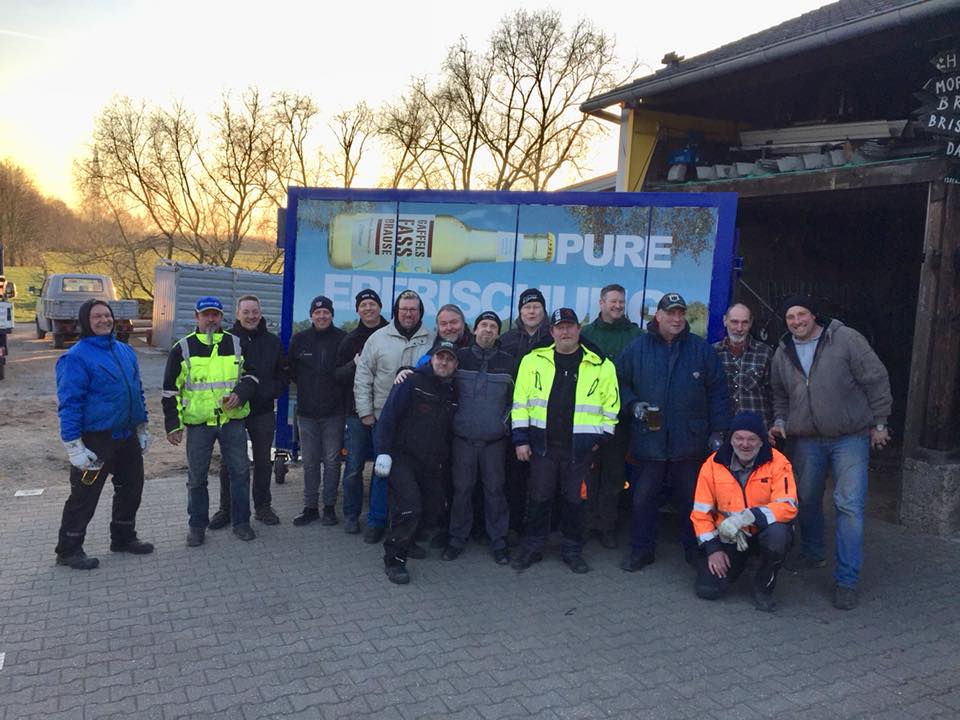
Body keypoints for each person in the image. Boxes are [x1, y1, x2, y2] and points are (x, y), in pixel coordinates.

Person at [769, 295, 892, 610]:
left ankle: (846, 580)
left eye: (802, 314)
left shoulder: (846, 339)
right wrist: (780, 420)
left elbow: (875, 379)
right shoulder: (783, 351)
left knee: (848, 506)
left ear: (814, 315)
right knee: (807, 499)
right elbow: (779, 393)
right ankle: (813, 554)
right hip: (807, 439)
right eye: (790, 317)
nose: (797, 321)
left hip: (849, 437)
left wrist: (880, 422)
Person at [616, 292, 728, 572]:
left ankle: (695, 550)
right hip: (649, 441)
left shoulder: (701, 350)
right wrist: (633, 405)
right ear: (658, 316)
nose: (676, 319)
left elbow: (718, 393)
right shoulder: (637, 349)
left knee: (692, 502)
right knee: (643, 500)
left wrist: (719, 430)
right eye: (670, 313)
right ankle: (642, 551)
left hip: (689, 443)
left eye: (680, 313)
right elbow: (619, 384)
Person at [510, 308, 620, 574]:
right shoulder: (532, 361)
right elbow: (520, 402)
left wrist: (601, 438)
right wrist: (521, 439)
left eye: (570, 326)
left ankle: (572, 550)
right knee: (538, 498)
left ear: (579, 330)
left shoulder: (601, 365)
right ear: (552, 331)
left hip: (579, 450)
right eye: (560, 327)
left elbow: (612, 406)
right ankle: (533, 547)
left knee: (575, 502)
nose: (565, 331)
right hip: (542, 447)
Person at [54, 299, 152, 569]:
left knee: (131, 488)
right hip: (96, 441)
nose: (103, 320)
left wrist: (142, 426)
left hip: (127, 437)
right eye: (96, 316)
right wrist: (73, 445)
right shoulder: (75, 357)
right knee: (84, 496)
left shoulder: (125, 351)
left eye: (107, 315)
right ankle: (68, 550)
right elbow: (70, 404)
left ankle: (123, 537)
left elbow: (137, 391)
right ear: (86, 321)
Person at [163, 296, 259, 546]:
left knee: (240, 473)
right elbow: (170, 390)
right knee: (197, 478)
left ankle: (241, 522)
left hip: (232, 421)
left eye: (215, 315)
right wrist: (173, 424)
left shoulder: (236, 343)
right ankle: (197, 526)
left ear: (221, 317)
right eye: (206, 315)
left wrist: (241, 393)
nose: (211, 319)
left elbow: (252, 375)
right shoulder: (183, 348)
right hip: (199, 425)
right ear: (197, 317)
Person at [691, 411, 798, 611]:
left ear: (761, 441)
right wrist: (713, 549)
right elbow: (700, 512)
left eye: (751, 439)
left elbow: (788, 506)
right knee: (707, 589)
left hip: (764, 533)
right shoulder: (713, 464)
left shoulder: (778, 463)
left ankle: (763, 584)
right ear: (730, 440)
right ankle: (741, 564)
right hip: (730, 536)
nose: (745, 444)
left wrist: (748, 517)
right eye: (739, 438)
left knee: (778, 536)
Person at [375, 341, 460, 584]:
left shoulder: (453, 391)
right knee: (409, 507)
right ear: (431, 359)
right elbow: (389, 416)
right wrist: (383, 451)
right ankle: (394, 560)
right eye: (440, 357)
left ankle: (408, 540)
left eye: (449, 359)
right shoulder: (411, 381)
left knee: (434, 507)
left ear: (456, 364)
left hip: (432, 462)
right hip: (402, 457)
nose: (444, 362)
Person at [354, 289, 435, 543]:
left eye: (413, 309)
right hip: (383, 419)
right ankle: (377, 521)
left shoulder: (432, 340)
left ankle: (407, 524)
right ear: (396, 311)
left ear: (420, 312)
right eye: (404, 309)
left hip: (418, 423)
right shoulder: (378, 339)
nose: (408, 314)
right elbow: (363, 376)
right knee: (382, 470)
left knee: (414, 475)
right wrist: (366, 412)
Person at [443, 310, 515, 565]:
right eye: (483, 325)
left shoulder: (509, 362)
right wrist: (406, 370)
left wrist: (504, 426)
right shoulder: (459, 357)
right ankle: (456, 539)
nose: (488, 330)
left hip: (495, 442)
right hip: (463, 440)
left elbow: (517, 400)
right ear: (474, 330)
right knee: (462, 490)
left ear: (498, 333)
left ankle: (498, 541)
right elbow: (436, 375)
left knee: (495, 491)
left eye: (493, 327)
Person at [210, 295, 287, 529]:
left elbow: (283, 375)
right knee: (229, 463)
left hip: (262, 411)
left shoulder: (273, 342)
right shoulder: (226, 341)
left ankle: (263, 507)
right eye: (246, 312)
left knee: (263, 462)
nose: (251, 316)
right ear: (237, 314)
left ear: (260, 313)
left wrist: (269, 392)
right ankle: (226, 509)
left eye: (255, 312)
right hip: (232, 413)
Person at [580, 283, 642, 548]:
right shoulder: (586, 334)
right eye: (613, 301)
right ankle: (586, 525)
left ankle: (606, 526)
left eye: (621, 302)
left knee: (614, 475)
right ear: (601, 303)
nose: (617, 306)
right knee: (588, 473)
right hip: (588, 418)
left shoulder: (635, 335)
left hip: (620, 419)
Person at [288, 296, 347, 527]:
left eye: (326, 312)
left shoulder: (342, 339)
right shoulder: (300, 339)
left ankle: (329, 507)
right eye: (317, 312)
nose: (322, 316)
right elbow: (292, 371)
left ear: (332, 315)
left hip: (334, 412)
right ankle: (310, 508)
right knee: (310, 462)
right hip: (307, 412)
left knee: (332, 462)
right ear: (311, 315)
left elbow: (347, 372)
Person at [335, 289, 389, 534]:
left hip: (386, 413)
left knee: (384, 467)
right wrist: (353, 365)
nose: (368, 308)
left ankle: (381, 516)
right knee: (354, 467)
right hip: (356, 413)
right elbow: (337, 376)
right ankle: (351, 515)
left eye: (372, 304)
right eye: (363, 305)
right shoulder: (350, 340)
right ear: (357, 310)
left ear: (380, 307)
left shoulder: (392, 333)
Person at [713, 303, 774, 429]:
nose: (739, 328)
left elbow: (775, 395)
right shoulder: (712, 353)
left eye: (744, 322)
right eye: (734, 322)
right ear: (725, 321)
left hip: (757, 432)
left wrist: (774, 426)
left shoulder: (765, 352)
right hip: (722, 431)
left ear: (751, 323)